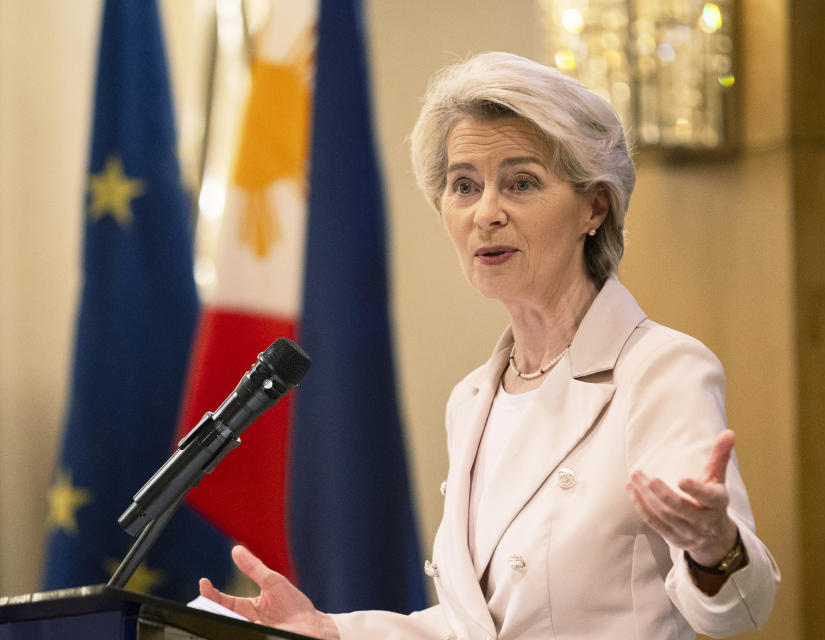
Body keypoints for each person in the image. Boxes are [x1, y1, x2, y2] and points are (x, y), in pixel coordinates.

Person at [199, 51, 780, 640]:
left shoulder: (660, 370)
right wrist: (331, 630)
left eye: (521, 182)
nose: (486, 213)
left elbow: (736, 611)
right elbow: (475, 626)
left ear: (594, 207)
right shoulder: (473, 398)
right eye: (464, 186)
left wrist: (715, 548)